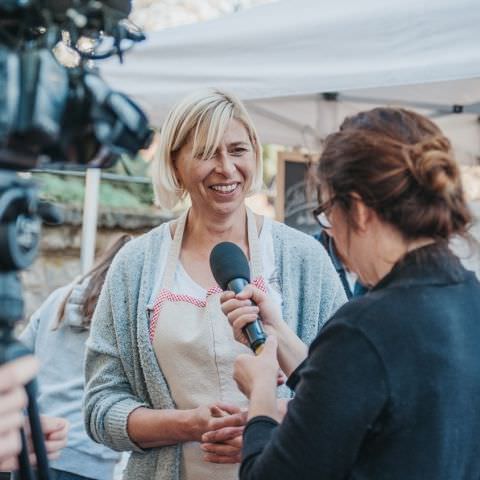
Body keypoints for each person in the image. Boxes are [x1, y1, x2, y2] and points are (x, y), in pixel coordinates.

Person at [84, 88, 346, 480]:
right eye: (206, 153)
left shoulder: (302, 259)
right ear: (175, 165)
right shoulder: (136, 265)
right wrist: (188, 424)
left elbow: (347, 389)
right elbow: (100, 405)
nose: (226, 168)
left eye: (237, 150)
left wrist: (268, 423)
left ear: (255, 155)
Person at [216, 107, 480, 479]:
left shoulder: (364, 327)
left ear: (358, 209)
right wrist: (277, 333)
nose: (332, 236)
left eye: (328, 215)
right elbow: (359, 395)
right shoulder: (469, 299)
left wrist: (260, 394)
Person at [18, 235, 132, 480]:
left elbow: (15, 367)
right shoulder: (128, 312)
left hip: (37, 446)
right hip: (89, 458)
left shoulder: (58, 298)